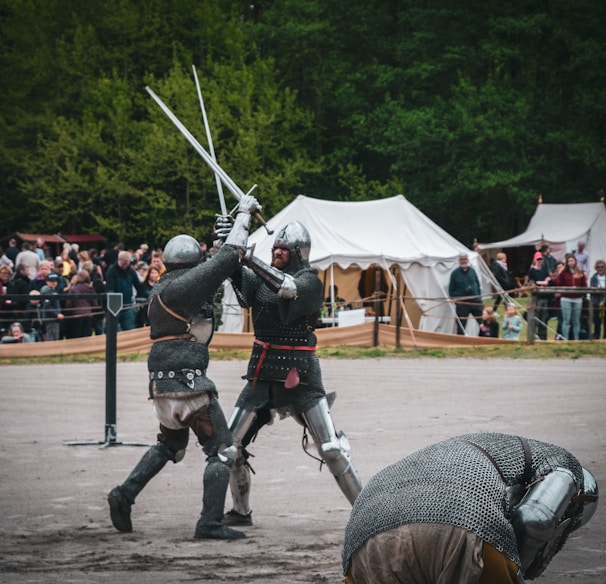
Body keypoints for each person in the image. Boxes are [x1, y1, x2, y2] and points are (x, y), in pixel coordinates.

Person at [107, 193, 260, 541]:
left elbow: (218, 266)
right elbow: (229, 259)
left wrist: (223, 235)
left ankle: (124, 494)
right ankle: (209, 522)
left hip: (162, 386)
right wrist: (245, 215)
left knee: (170, 446)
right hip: (189, 383)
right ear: (191, 265)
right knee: (223, 450)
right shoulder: (183, 288)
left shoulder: (164, 288)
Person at [220, 220, 362, 528]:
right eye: (275, 249)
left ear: (299, 252)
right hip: (261, 373)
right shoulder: (260, 278)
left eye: (283, 249)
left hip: (302, 375)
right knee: (229, 446)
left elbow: (287, 288)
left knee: (331, 448)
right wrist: (230, 242)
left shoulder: (310, 280)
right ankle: (240, 511)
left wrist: (251, 258)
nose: (277, 252)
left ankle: (366, 510)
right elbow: (233, 272)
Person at [342, 432, 599, 584]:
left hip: (363, 538)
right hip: (457, 524)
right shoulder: (563, 463)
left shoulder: (471, 449)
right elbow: (535, 520)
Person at [105, 251, 147, 331]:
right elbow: (109, 289)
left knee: (130, 328)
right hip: (114, 307)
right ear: (118, 260)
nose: (124, 266)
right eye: (122, 263)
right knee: (112, 329)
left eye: (126, 263)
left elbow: (139, 286)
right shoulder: (111, 271)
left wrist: (149, 294)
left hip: (128, 305)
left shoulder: (131, 272)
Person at [449, 253, 484, 335]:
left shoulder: (472, 271)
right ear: (459, 261)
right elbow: (451, 289)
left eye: (465, 259)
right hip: (462, 303)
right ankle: (460, 341)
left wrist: (479, 296)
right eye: (462, 259)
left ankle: (484, 338)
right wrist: (455, 299)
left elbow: (477, 284)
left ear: (467, 260)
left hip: (475, 301)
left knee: (482, 321)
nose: (463, 261)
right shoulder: (454, 274)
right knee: (461, 324)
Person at [555, 254, 587, 341]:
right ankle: (566, 339)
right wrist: (566, 288)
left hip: (577, 299)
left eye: (572, 261)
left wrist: (579, 290)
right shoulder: (563, 273)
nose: (571, 263)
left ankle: (576, 339)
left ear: (575, 261)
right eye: (569, 261)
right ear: (567, 262)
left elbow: (584, 285)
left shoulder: (580, 273)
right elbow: (558, 284)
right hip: (566, 298)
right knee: (566, 320)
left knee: (576, 320)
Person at [65, 269, 98, 338]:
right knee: (86, 337)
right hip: (88, 315)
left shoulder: (74, 289)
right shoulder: (91, 288)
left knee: (76, 338)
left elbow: (69, 304)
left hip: (76, 316)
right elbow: (95, 304)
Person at [527, 251, 551, 340]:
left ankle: (543, 336)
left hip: (544, 295)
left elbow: (548, 277)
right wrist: (540, 283)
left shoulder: (544, 269)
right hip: (536, 296)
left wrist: (546, 280)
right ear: (535, 260)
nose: (540, 261)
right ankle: (534, 335)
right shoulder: (532, 270)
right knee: (536, 316)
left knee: (544, 317)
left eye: (541, 259)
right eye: (538, 259)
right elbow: (531, 281)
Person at [40, 272, 64, 341]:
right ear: (47, 282)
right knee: (51, 337)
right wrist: (57, 314)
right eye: (51, 281)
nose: (54, 283)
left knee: (55, 336)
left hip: (54, 319)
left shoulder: (54, 292)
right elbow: (47, 307)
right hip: (50, 319)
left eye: (55, 281)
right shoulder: (47, 293)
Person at [589, 259, 606, 339]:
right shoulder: (593, 278)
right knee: (597, 320)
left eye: (602, 267)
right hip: (597, 301)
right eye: (598, 267)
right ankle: (596, 335)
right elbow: (592, 290)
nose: (600, 269)